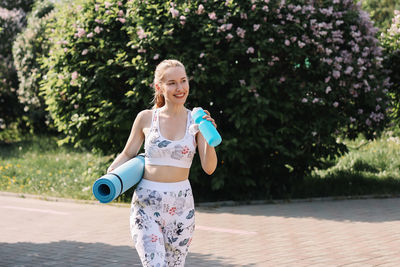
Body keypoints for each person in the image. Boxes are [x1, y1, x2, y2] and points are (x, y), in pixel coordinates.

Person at [107, 59, 218, 266]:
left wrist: (209, 136)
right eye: (172, 83)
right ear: (159, 87)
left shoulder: (197, 121)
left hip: (181, 206)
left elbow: (209, 168)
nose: (180, 88)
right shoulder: (146, 118)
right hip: (146, 204)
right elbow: (128, 153)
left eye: (183, 81)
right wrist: (111, 174)